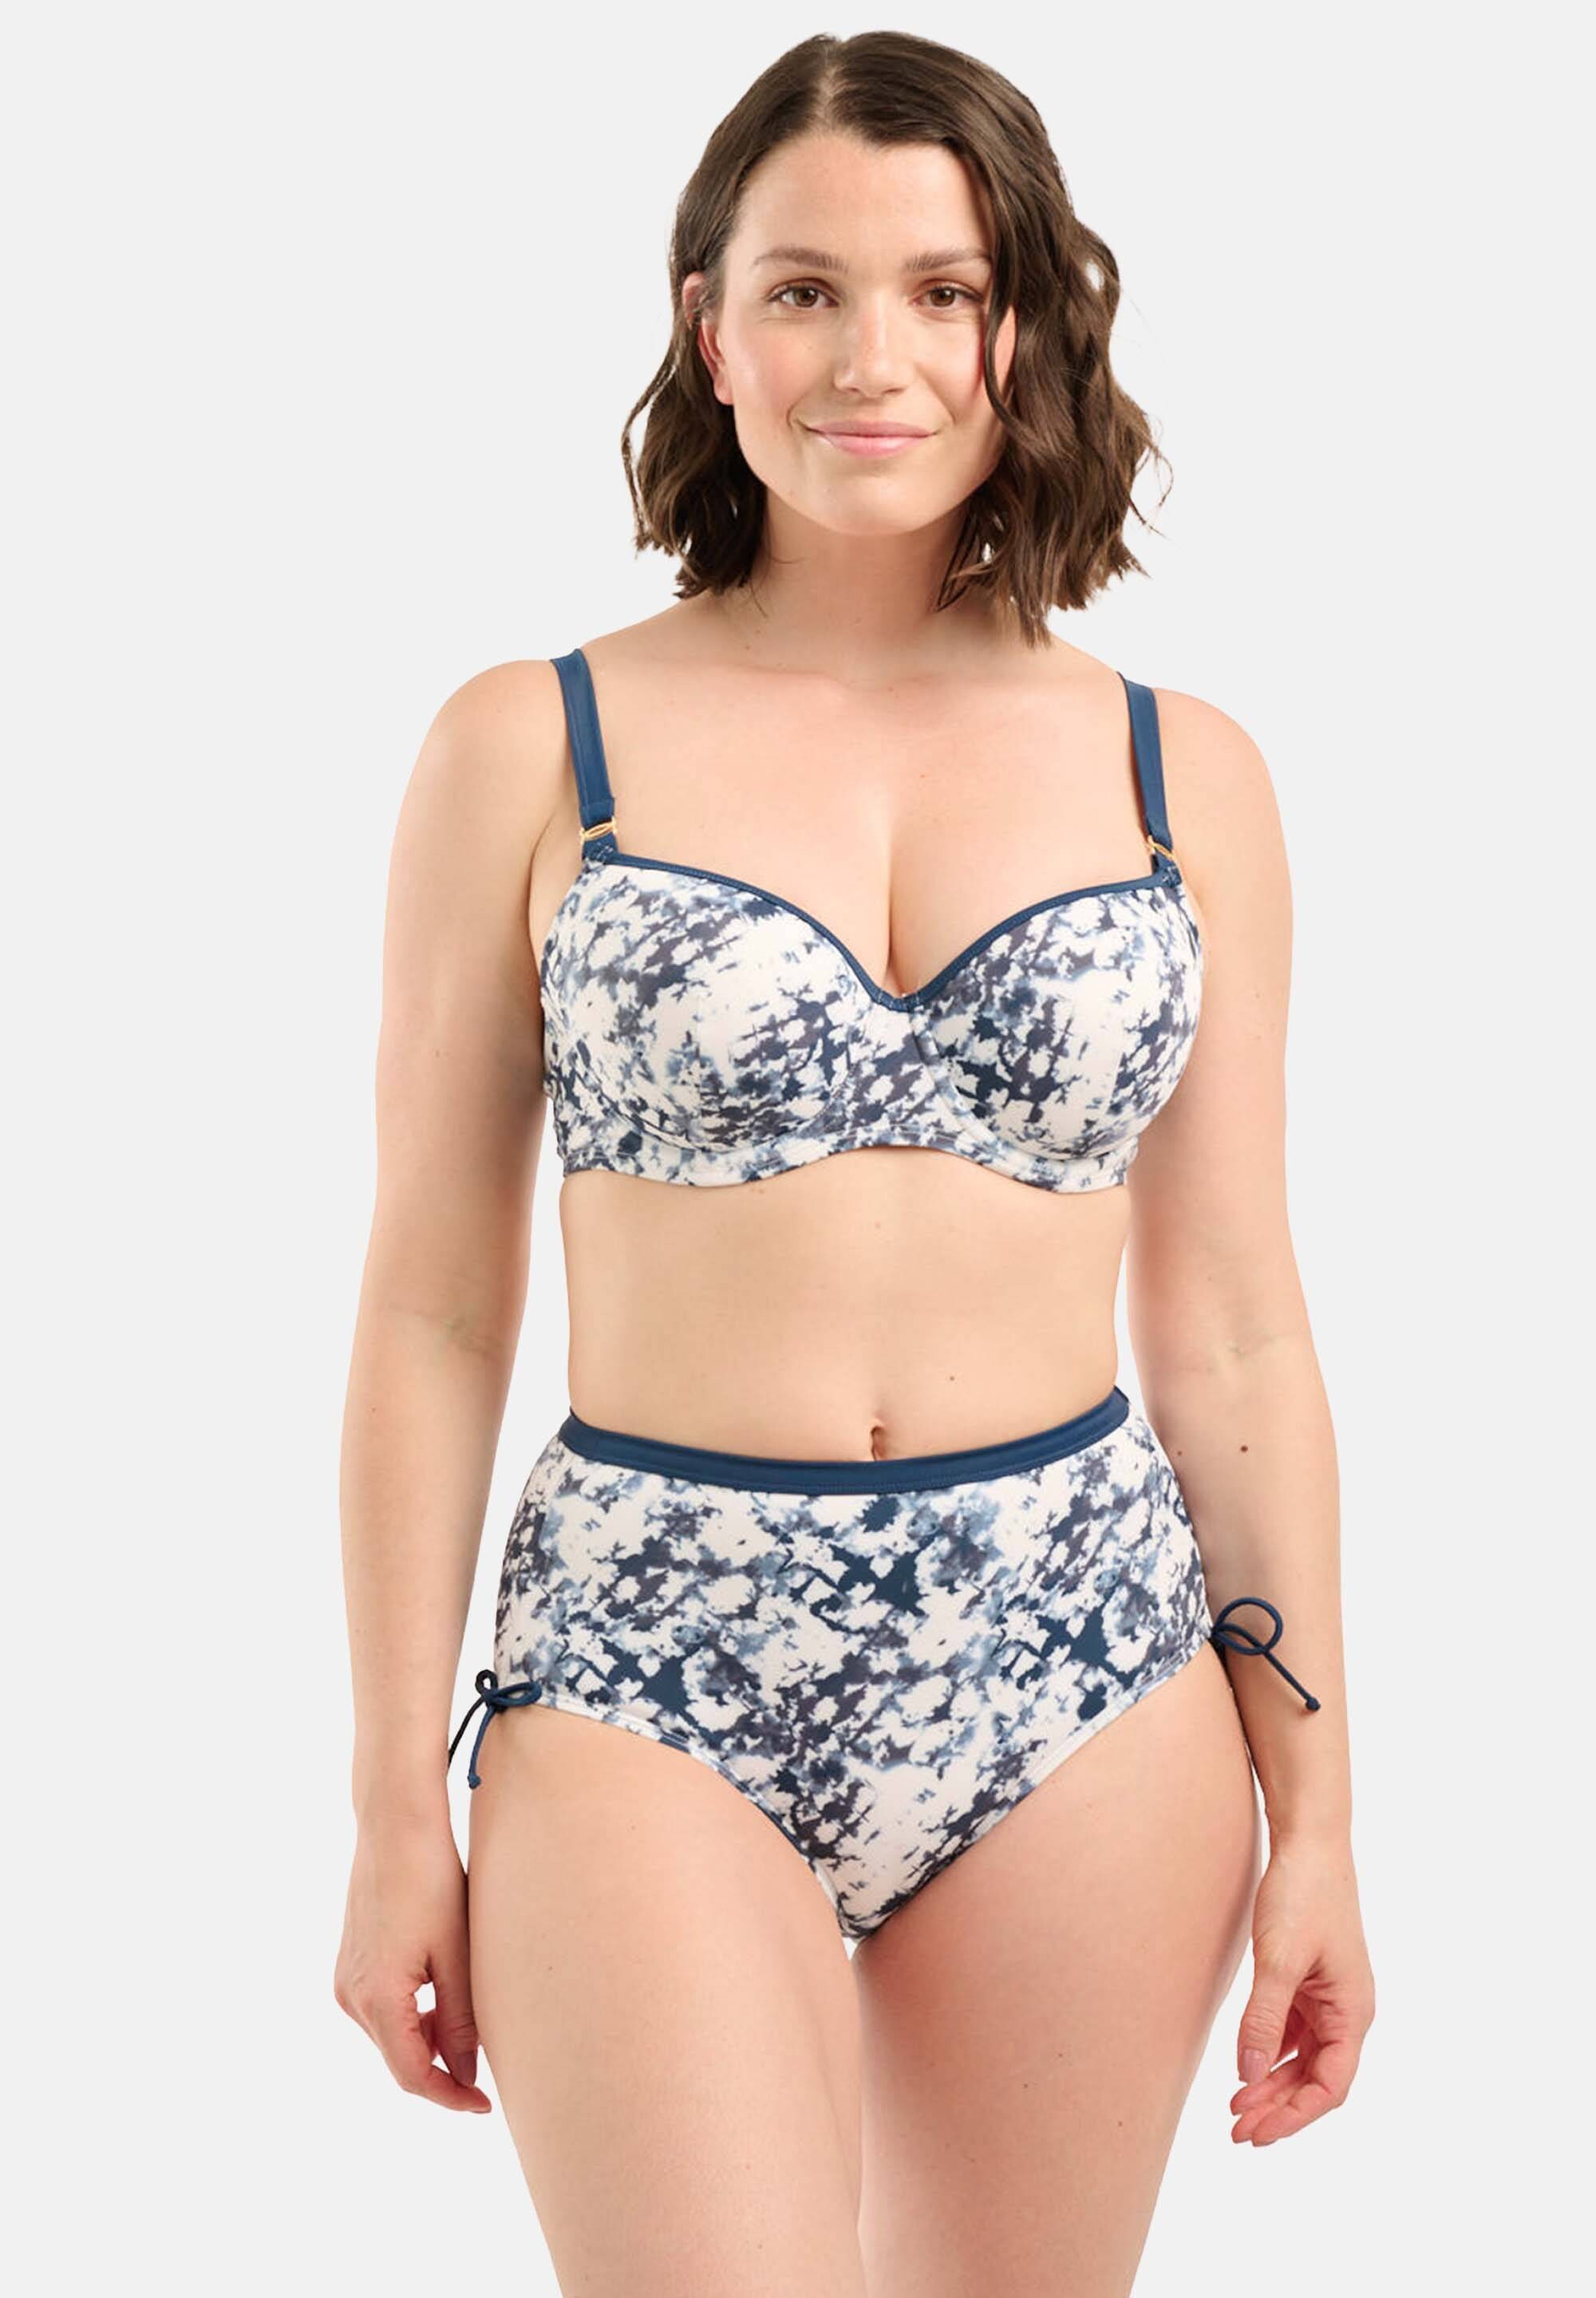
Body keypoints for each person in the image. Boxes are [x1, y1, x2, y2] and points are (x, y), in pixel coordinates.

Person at [334, 28, 1375, 2296]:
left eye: (943, 290)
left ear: (1028, 329)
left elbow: (1233, 1325)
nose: (870, 358)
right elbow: (429, 1306)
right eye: (803, 289)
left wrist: (1321, 1817)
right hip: (647, 1650)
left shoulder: (1186, 772)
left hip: (1087, 1655)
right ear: (709, 329)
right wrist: (393, 1803)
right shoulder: (531, 744)